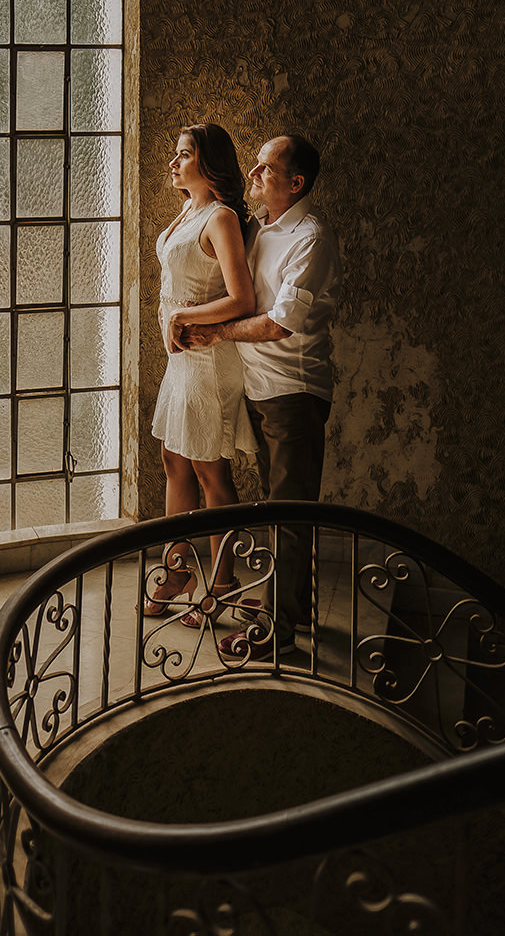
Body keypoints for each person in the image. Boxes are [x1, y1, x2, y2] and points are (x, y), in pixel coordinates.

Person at [174, 133, 342, 657]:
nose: (254, 175)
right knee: (280, 509)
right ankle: (293, 610)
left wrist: (216, 334)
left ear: (296, 183)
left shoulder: (310, 237)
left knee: (290, 515)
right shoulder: (257, 227)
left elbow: (279, 325)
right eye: (254, 166)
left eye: (267, 169)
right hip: (257, 387)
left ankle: (279, 636)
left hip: (292, 391)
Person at [145, 123, 258, 627]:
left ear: (209, 165)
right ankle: (176, 571)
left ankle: (224, 584)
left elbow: (242, 299)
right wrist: (173, 322)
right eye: (175, 154)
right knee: (174, 459)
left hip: (209, 361)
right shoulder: (187, 212)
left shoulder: (222, 217)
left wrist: (183, 318)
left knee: (211, 470)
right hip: (182, 359)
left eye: (183, 155)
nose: (173, 163)